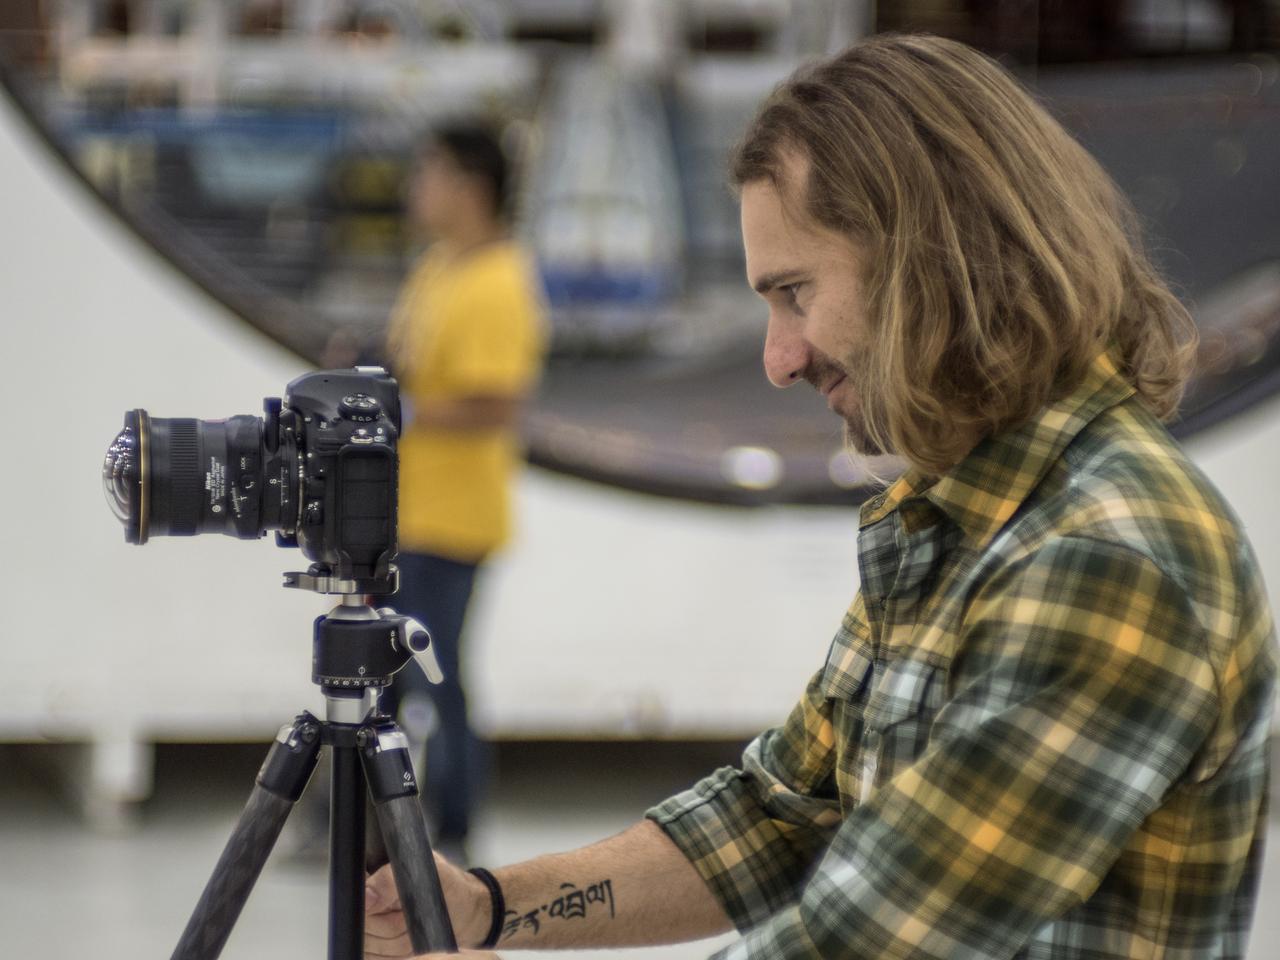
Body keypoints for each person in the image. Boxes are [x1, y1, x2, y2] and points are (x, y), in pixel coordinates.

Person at [366, 35, 1277, 960]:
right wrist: (490, 907)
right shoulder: (961, 509)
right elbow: (778, 817)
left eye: (795, 293)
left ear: (936, 256)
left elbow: (870, 938)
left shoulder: (1103, 555)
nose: (778, 359)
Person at [382, 122, 547, 862]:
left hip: (454, 520)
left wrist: (410, 413)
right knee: (385, 675)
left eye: (431, 173)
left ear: (470, 187)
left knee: (437, 672)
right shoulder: (438, 267)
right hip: (408, 511)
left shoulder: (499, 282)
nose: (417, 190)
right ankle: (375, 822)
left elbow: (499, 402)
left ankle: (454, 827)